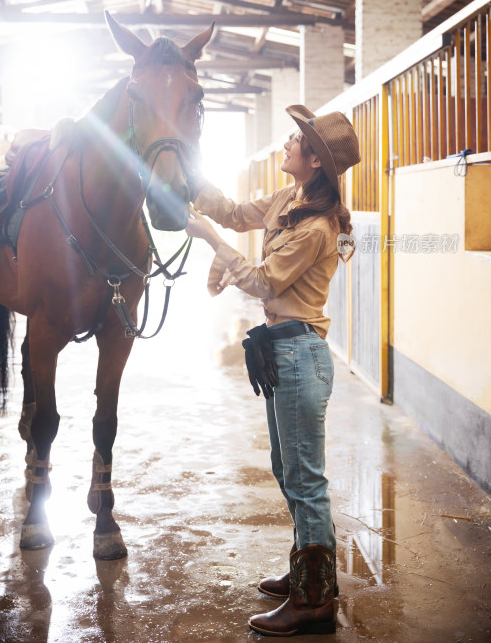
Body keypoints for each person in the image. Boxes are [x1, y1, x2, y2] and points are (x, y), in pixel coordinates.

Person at [185, 105, 360, 637]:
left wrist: (210, 241)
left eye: (295, 141)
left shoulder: (319, 229)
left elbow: (264, 284)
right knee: (289, 471)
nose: (286, 144)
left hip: (300, 354)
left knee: (305, 478)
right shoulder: (289, 199)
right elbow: (237, 211)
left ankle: (314, 601)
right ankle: (310, 573)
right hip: (282, 352)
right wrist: (188, 170)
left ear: (312, 161)